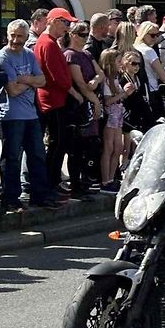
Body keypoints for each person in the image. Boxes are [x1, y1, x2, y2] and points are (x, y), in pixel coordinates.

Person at [0, 19, 60, 211]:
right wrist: (31, 81)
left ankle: (40, 195)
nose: (15, 40)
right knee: (12, 157)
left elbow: (43, 80)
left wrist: (24, 79)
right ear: (7, 35)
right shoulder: (2, 57)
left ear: (25, 37)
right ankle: (10, 197)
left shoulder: (29, 55)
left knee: (37, 155)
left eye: (19, 36)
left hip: (31, 114)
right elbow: (12, 90)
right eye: (12, 35)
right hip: (11, 115)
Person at [34, 7, 79, 192]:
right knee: (57, 143)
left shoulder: (49, 42)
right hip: (52, 101)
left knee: (57, 143)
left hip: (54, 99)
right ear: (53, 21)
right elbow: (57, 76)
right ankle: (50, 184)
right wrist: (74, 93)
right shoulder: (48, 43)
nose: (67, 28)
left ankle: (52, 183)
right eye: (65, 22)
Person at [64, 22, 105, 198]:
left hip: (90, 103)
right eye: (81, 34)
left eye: (87, 34)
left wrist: (95, 80)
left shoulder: (87, 54)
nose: (85, 38)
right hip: (78, 106)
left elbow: (100, 73)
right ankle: (75, 185)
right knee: (77, 148)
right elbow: (80, 83)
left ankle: (86, 180)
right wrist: (95, 102)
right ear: (72, 35)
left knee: (90, 146)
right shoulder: (70, 55)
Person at [99, 50, 135, 193]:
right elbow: (108, 101)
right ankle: (105, 181)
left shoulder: (115, 79)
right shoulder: (106, 80)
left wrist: (126, 93)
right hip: (110, 116)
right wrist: (123, 93)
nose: (121, 64)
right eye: (118, 61)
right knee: (109, 148)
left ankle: (111, 178)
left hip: (118, 116)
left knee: (118, 148)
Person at [134, 21, 165, 121]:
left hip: (139, 89)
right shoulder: (149, 51)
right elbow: (162, 75)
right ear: (144, 34)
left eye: (157, 35)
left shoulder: (134, 48)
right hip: (153, 90)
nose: (155, 38)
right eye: (152, 35)